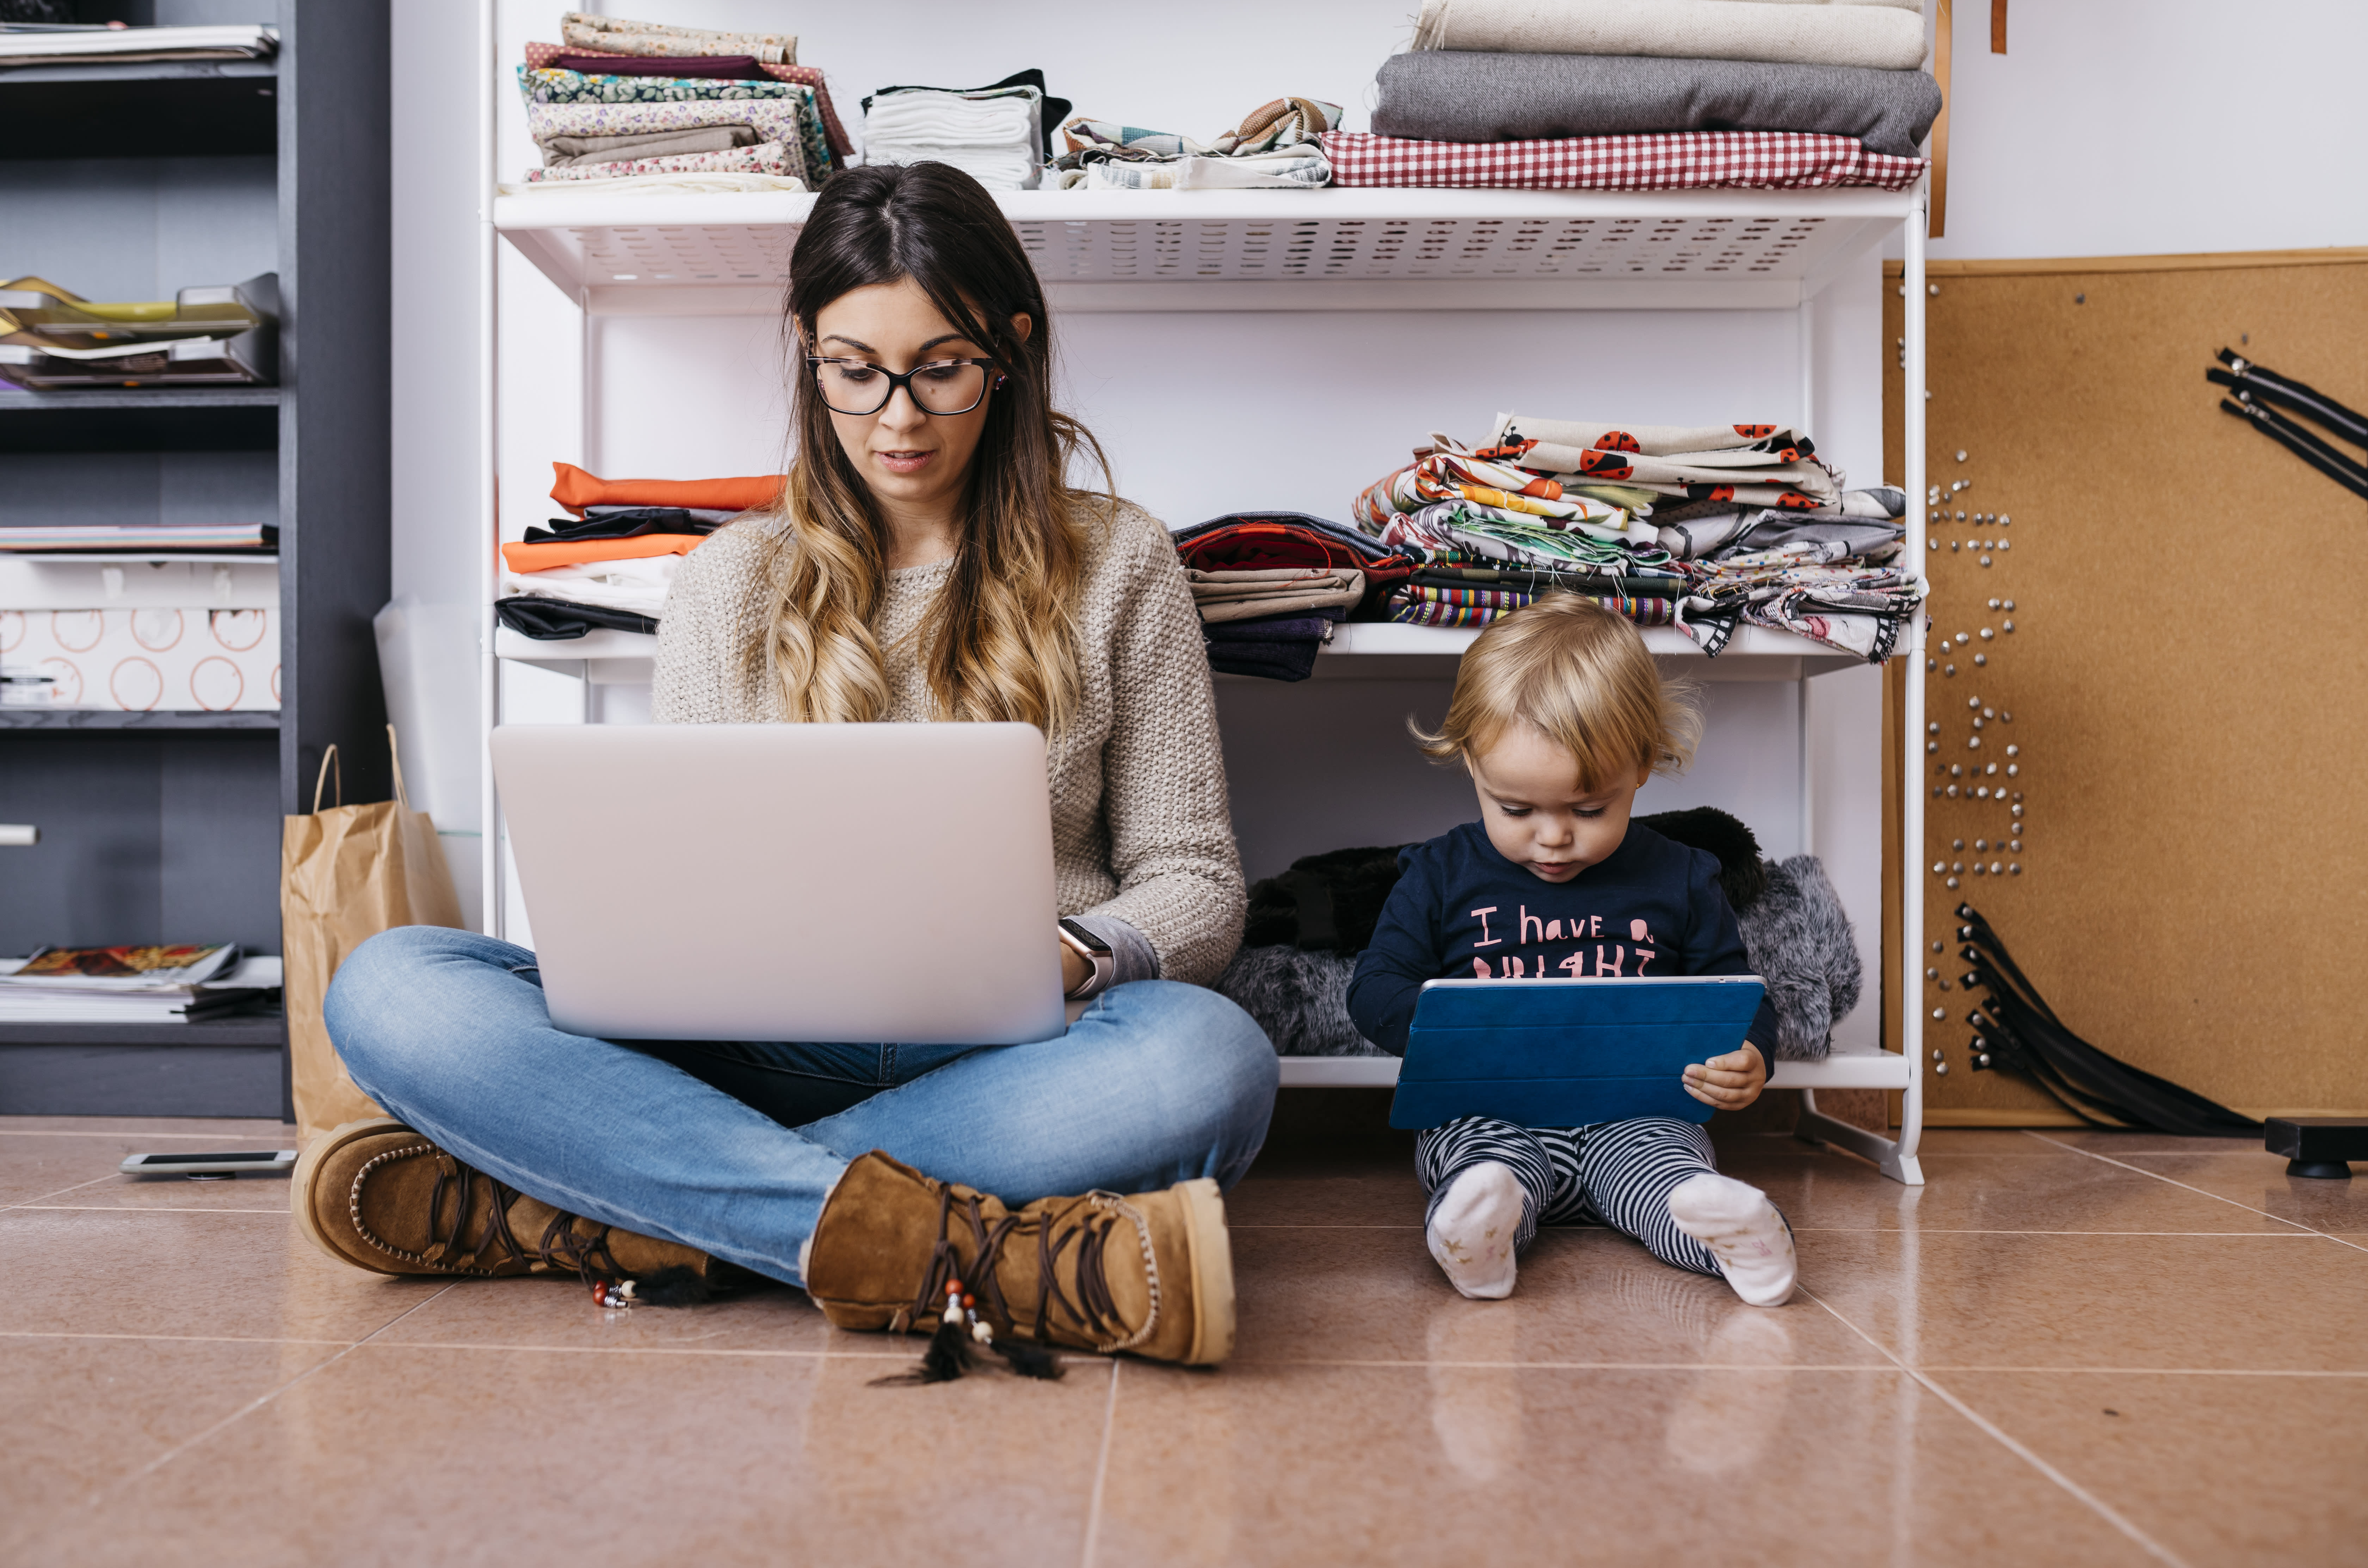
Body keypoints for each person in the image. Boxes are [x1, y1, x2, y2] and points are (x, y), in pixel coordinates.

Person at [298, 162, 1277, 1368]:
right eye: (853, 372)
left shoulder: (1120, 559)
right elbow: (695, 884)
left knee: (1212, 1061)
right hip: (751, 1052)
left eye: (941, 369)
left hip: (1011, 1052)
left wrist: (1076, 953)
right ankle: (942, 1247)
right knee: (390, 982)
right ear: (809, 353)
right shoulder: (730, 581)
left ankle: (634, 1216)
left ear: (1011, 350)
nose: (897, 418)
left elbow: (1198, 884)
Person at [1345, 593, 1797, 1307]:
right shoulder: (1440, 871)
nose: (1553, 836)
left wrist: (1750, 1055)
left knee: (1661, 1170)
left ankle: (1729, 1230)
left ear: (1643, 765)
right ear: (1472, 766)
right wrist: (1445, 1033)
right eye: (1516, 808)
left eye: (1589, 809)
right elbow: (1375, 986)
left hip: (1635, 1112)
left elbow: (1731, 988)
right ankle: (1481, 1233)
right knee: (1483, 1164)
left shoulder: (1680, 874)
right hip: (1492, 1108)